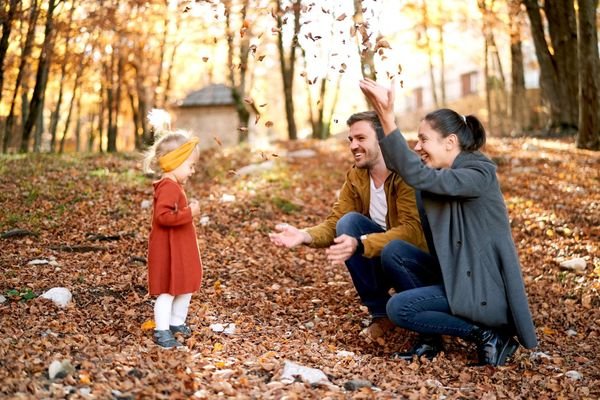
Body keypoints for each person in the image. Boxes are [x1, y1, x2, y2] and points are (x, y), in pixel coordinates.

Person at [359, 78, 537, 366]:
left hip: (481, 290)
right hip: (456, 278)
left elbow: (418, 174)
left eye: (423, 139)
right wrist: (381, 114)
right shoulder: (440, 178)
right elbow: (400, 165)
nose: (417, 147)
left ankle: (488, 334)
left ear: (450, 142)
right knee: (395, 252)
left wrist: (389, 116)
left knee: (399, 308)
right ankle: (430, 339)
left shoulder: (479, 173)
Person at [269, 111, 430, 340]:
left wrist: (362, 243)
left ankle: (427, 324)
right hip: (383, 255)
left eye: (361, 138)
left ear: (382, 139)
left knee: (390, 246)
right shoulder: (357, 176)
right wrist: (303, 235)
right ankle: (381, 314)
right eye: (351, 140)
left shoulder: (406, 174)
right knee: (349, 223)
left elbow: (412, 232)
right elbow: (336, 222)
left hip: (418, 264)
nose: (353, 145)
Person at [143, 130, 203, 348]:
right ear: (175, 162)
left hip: (178, 247)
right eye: (190, 165)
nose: (193, 171)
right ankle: (162, 330)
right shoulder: (168, 187)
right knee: (168, 290)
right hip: (168, 250)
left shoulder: (174, 185)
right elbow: (163, 216)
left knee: (185, 285)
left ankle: (176, 322)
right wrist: (190, 213)